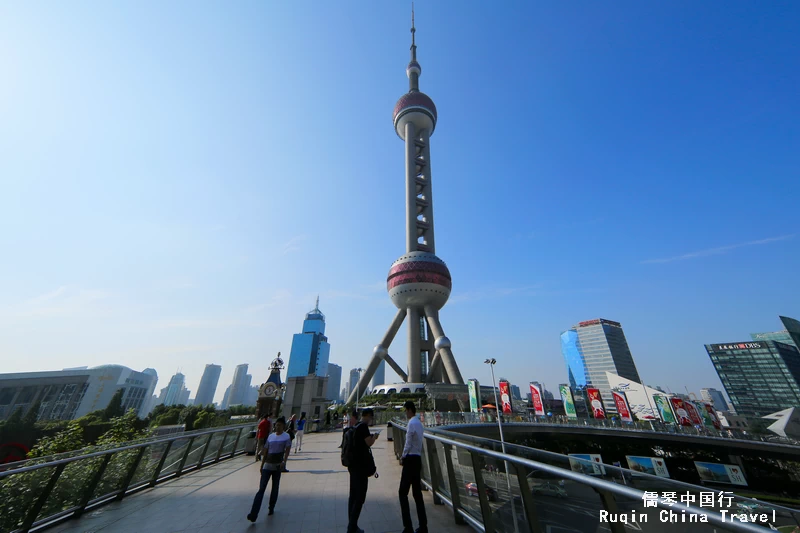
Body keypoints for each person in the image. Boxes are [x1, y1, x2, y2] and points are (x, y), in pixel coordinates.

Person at [247, 416, 292, 522]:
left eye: (280, 425)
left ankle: (271, 507)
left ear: (283, 426)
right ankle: (253, 514)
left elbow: (287, 451)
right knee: (261, 489)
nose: (277, 426)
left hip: (277, 466)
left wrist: (284, 462)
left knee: (275, 488)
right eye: (276, 425)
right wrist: (262, 465)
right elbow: (266, 451)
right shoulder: (271, 437)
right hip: (267, 465)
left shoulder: (286, 437)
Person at [399, 401, 427, 533]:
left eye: (406, 410)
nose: (405, 412)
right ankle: (423, 526)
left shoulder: (411, 423)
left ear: (409, 410)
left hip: (410, 460)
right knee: (417, 494)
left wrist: (403, 456)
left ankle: (408, 527)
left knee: (402, 493)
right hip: (417, 459)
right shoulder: (420, 424)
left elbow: (408, 443)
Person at [348, 408, 378, 533]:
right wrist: (374, 437)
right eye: (370, 417)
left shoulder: (355, 427)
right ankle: (352, 527)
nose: (371, 420)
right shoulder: (363, 427)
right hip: (360, 467)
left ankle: (352, 525)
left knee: (353, 496)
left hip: (353, 466)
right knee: (360, 497)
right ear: (367, 416)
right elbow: (368, 443)